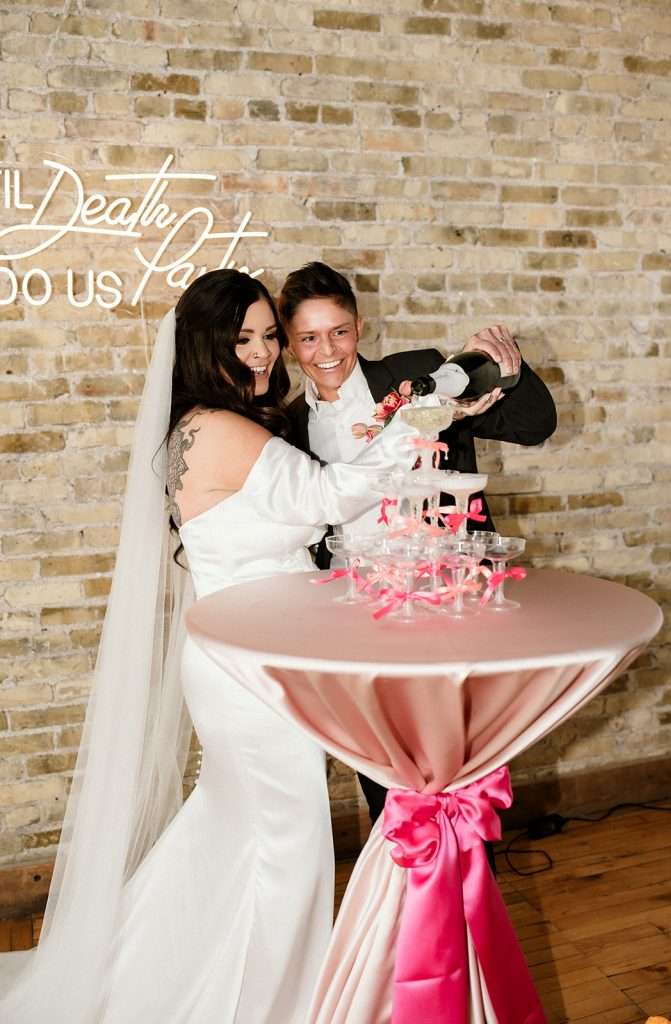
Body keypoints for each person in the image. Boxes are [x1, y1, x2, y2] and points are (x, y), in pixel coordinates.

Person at [0, 269, 417, 1024]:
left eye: (266, 336)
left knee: (233, 832)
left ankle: (166, 978)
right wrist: (419, 424)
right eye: (244, 338)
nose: (262, 354)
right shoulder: (222, 430)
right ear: (205, 345)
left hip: (240, 660)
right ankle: (276, 1006)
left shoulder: (201, 425)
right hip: (254, 671)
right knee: (286, 846)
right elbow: (326, 498)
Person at [280, 261, 557, 825]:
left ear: (359, 327)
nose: (326, 350)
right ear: (289, 345)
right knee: (383, 770)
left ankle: (467, 901)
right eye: (308, 338)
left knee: (460, 771)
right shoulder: (286, 427)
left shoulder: (421, 375)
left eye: (339, 331)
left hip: (449, 598)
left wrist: (506, 366)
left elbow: (534, 424)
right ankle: (401, 894)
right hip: (355, 610)